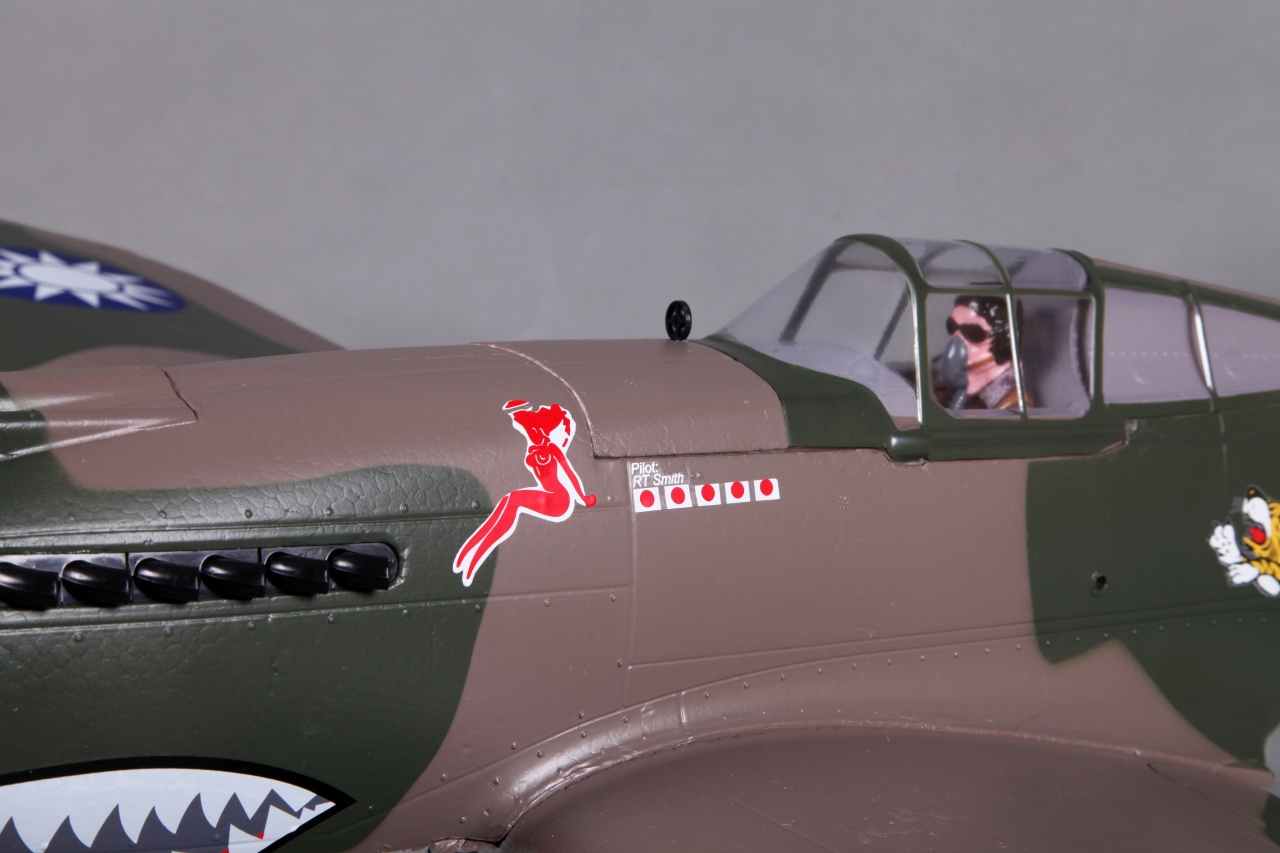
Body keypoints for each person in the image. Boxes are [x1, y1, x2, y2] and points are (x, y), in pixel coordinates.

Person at [454, 400, 596, 587]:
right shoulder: (533, 442)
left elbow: (569, 474)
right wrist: (519, 410)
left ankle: (474, 557)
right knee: (507, 501)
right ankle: (470, 550)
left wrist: (583, 497)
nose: (533, 432)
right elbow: (519, 418)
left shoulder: (552, 448)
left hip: (559, 500)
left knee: (513, 501)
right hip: (547, 494)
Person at [934, 295, 1019, 410]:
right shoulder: (943, 387)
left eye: (973, 332)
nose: (957, 343)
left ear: (1004, 339)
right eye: (952, 326)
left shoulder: (1012, 406)